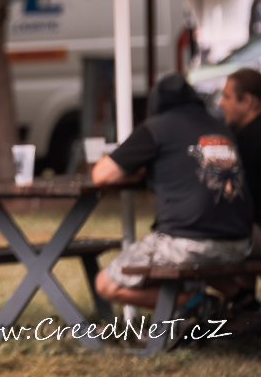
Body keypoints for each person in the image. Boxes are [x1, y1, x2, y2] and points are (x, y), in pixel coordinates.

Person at [92, 73, 253, 311]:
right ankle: (242, 298)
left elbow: (101, 174)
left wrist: (138, 170)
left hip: (186, 244)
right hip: (240, 243)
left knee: (105, 285)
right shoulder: (221, 129)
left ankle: (195, 304)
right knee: (199, 254)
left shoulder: (156, 128)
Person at [219, 67, 261, 311]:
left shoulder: (244, 141)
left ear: (248, 100)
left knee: (193, 239)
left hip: (254, 234)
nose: (221, 104)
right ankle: (244, 308)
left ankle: (241, 301)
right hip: (253, 229)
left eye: (227, 97)